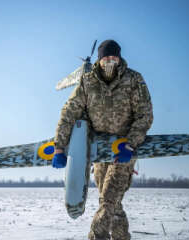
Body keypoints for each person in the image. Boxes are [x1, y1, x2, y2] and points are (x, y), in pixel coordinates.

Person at [53, 40, 153, 240]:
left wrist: (130, 143)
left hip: (122, 149)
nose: (110, 60)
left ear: (119, 57)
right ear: (99, 59)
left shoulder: (133, 79)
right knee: (111, 202)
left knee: (108, 198)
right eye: (106, 57)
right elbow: (69, 113)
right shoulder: (87, 81)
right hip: (97, 149)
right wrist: (59, 147)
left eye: (114, 57)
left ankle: (96, 236)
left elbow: (145, 115)